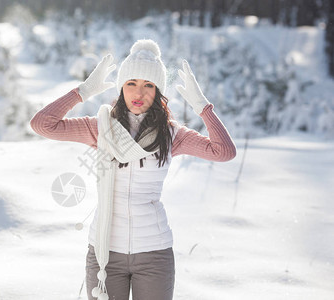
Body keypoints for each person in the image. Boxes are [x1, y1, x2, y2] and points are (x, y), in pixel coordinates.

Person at [30, 39, 236, 300]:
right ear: (121, 88)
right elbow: (42, 124)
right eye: (131, 84)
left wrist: (203, 108)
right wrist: (81, 92)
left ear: (158, 91)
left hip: (154, 252)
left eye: (148, 85)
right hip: (106, 254)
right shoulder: (100, 127)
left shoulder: (172, 134)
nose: (139, 93)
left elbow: (224, 151)